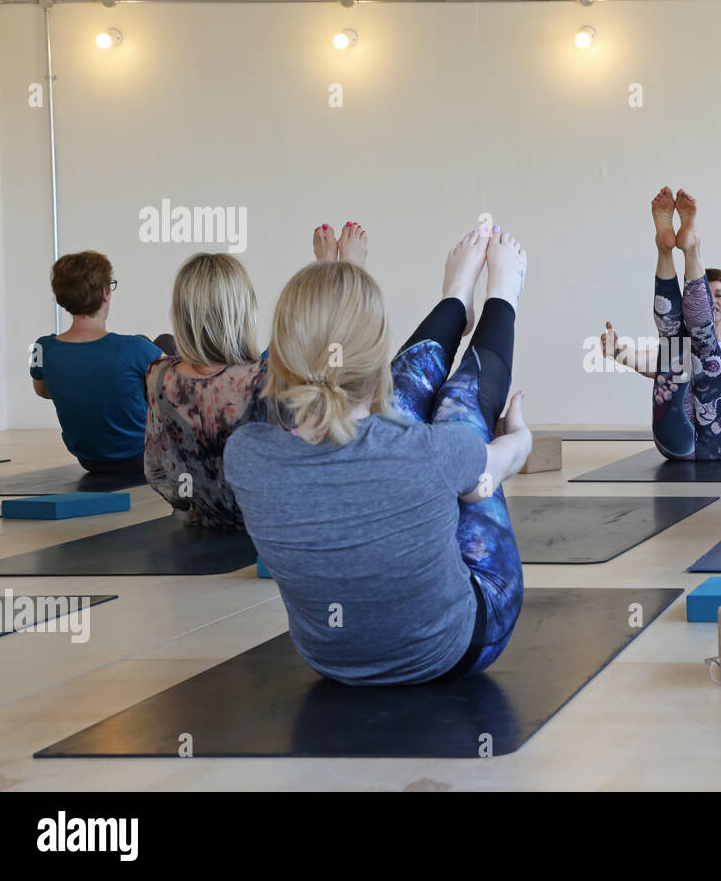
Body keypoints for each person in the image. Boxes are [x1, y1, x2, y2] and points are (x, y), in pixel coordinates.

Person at [225, 225, 532, 685]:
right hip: (457, 647)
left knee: (411, 410)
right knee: (462, 408)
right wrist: (521, 435)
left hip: (331, 659)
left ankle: (456, 300)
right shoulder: (426, 451)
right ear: (384, 353)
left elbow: (325, 409)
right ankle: (499, 297)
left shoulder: (244, 453)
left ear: (278, 355)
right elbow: (502, 460)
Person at [600, 187, 721, 459]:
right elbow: (652, 364)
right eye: (710, 296)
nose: (714, 302)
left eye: (718, 296)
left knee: (698, 345)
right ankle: (678, 248)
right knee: (674, 348)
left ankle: (669, 249)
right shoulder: (678, 355)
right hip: (675, 443)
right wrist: (618, 353)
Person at [144, 251, 268, 528]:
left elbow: (155, 470)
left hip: (200, 520)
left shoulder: (158, 374)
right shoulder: (262, 377)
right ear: (243, 309)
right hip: (260, 528)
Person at [30, 251, 171, 474]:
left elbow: (44, 392)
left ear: (61, 298)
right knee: (164, 343)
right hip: (142, 456)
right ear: (105, 293)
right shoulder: (135, 348)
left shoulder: (42, 347)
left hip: (88, 459)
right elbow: (178, 393)